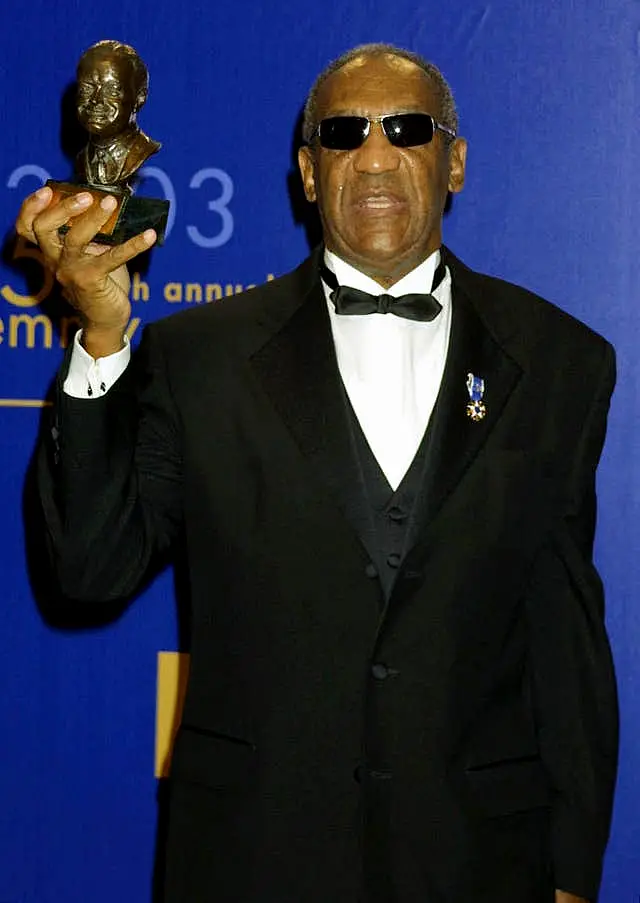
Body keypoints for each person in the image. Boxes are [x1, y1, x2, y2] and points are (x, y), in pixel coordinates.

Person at [16, 43, 617, 903]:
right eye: (343, 134)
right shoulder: (201, 356)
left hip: (482, 861)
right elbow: (88, 570)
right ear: (307, 171)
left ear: (454, 164)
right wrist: (104, 339)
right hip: (254, 858)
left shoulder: (561, 360)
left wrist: (570, 871)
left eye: (407, 129)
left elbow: (566, 641)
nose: (374, 154)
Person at [74, 39, 160, 189]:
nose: (96, 100)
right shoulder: (82, 160)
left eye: (111, 91)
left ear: (139, 97)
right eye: (86, 89)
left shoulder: (142, 151)